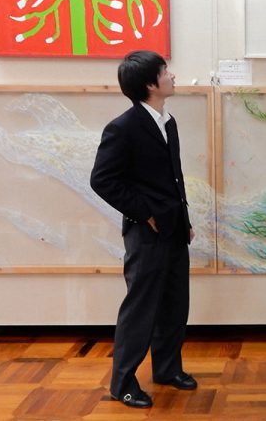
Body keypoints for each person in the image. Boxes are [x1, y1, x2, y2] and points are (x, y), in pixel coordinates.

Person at [90, 50, 196, 408]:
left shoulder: (168, 122)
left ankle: (167, 368)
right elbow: (102, 179)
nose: (172, 76)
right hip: (146, 233)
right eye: (167, 71)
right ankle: (123, 383)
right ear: (151, 83)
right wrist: (144, 213)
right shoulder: (123, 127)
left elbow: (173, 178)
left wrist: (185, 219)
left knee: (174, 303)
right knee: (141, 308)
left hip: (174, 229)